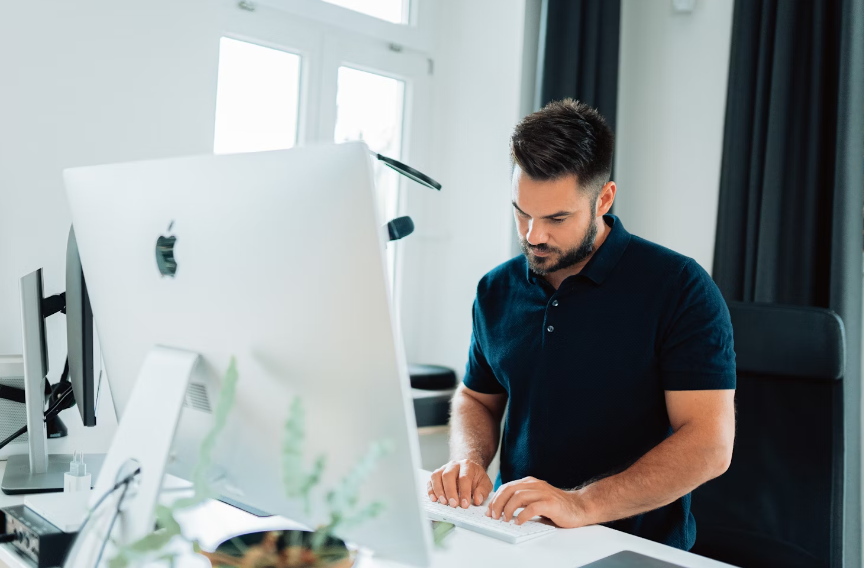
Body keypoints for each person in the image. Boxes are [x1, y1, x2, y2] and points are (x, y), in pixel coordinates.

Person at [427, 99, 736, 550]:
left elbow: (710, 443)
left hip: (633, 548)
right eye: (521, 212)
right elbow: (477, 397)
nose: (533, 235)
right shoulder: (496, 289)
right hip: (516, 535)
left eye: (556, 218)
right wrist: (468, 460)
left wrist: (581, 504)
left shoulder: (679, 287)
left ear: (603, 199)